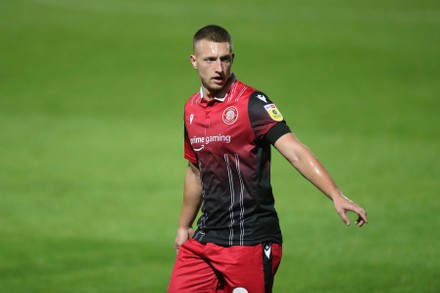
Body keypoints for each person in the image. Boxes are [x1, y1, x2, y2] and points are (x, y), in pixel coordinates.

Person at [168, 24, 368, 293]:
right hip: (206, 239)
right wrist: (184, 226)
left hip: (249, 239)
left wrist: (336, 194)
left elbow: (295, 151)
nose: (219, 68)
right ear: (194, 61)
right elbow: (195, 171)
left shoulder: (253, 103)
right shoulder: (191, 109)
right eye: (210, 60)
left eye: (225, 59)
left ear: (232, 59)